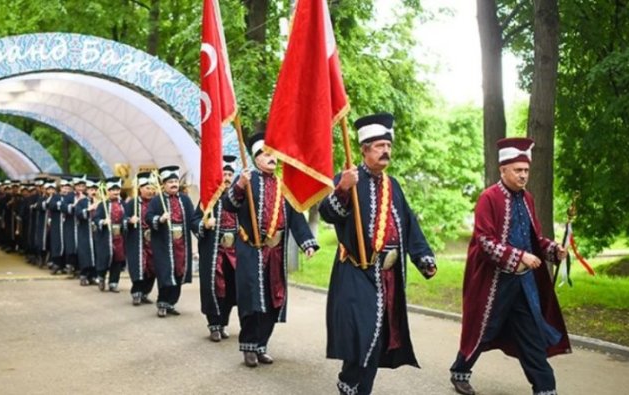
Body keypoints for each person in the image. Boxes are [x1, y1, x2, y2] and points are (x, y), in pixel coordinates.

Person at [319, 113, 437, 394]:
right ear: (363, 149)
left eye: (388, 145)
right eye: (379, 146)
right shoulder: (346, 178)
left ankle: (358, 387)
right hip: (356, 272)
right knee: (363, 335)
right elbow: (327, 214)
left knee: (378, 337)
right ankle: (350, 382)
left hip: (388, 277)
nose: (385, 151)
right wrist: (343, 189)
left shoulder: (393, 185)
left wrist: (423, 258)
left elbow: (409, 225)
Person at [448, 137, 571, 395]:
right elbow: (484, 241)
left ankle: (545, 388)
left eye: (526, 170)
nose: (523, 175)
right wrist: (518, 257)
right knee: (484, 329)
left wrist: (553, 250)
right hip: (493, 284)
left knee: (531, 336)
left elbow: (534, 239)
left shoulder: (527, 199)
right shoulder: (488, 198)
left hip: (523, 284)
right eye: (518, 170)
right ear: (503, 170)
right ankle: (460, 371)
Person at [223, 132, 318, 368]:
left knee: (273, 300)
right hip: (250, 250)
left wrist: (307, 242)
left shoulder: (284, 186)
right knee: (252, 301)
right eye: (265, 154)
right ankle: (248, 346)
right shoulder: (246, 179)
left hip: (275, 254)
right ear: (256, 159)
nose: (271, 158)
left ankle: (262, 345)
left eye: (273, 153)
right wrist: (240, 186)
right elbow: (229, 205)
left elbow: (295, 217)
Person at [191, 155, 239, 342]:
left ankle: (224, 322)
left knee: (230, 289)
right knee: (214, 288)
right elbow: (194, 221)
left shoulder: (240, 198)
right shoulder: (208, 199)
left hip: (235, 253)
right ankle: (213, 325)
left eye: (230, 174)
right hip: (214, 252)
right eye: (224, 173)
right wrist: (205, 223)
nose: (227, 177)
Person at [145, 166, 194, 317]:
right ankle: (162, 302)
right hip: (164, 244)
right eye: (170, 181)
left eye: (175, 181)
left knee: (179, 273)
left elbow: (193, 219)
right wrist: (159, 219)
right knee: (165, 273)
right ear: (163, 184)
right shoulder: (156, 200)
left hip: (182, 244)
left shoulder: (185, 200)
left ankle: (171, 303)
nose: (174, 184)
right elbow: (148, 217)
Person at [125, 172, 156, 305]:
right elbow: (123, 218)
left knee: (152, 267)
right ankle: (136, 292)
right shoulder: (132, 203)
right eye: (147, 188)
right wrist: (130, 221)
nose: (150, 191)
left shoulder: (157, 203)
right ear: (140, 189)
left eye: (151, 188)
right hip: (137, 241)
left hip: (153, 241)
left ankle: (145, 292)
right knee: (138, 267)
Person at [94, 177, 126, 293]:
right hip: (106, 237)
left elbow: (126, 217)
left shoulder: (123, 204)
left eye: (117, 189)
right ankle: (101, 277)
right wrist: (103, 221)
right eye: (113, 190)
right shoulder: (103, 204)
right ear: (108, 191)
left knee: (117, 260)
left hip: (119, 237)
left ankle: (113, 282)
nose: (115, 192)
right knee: (105, 258)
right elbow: (96, 218)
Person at [75, 178, 99, 286]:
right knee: (86, 253)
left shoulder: (101, 202)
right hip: (85, 231)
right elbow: (78, 214)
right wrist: (88, 209)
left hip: (97, 232)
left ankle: (94, 275)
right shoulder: (82, 202)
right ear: (87, 190)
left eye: (95, 189)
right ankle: (84, 275)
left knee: (97, 253)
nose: (93, 191)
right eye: (91, 189)